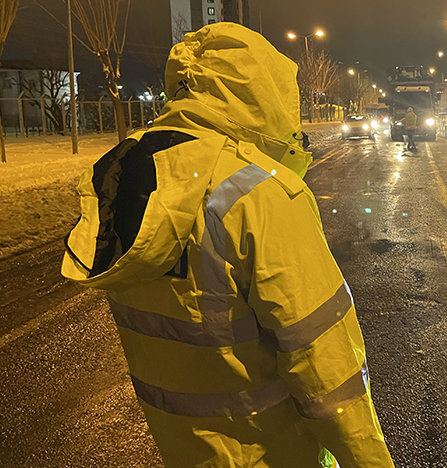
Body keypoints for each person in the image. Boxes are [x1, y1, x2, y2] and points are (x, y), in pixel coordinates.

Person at [61, 22, 393, 468]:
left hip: (183, 450)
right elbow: (326, 368)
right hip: (274, 452)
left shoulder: (130, 181)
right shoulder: (260, 195)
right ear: (263, 94)